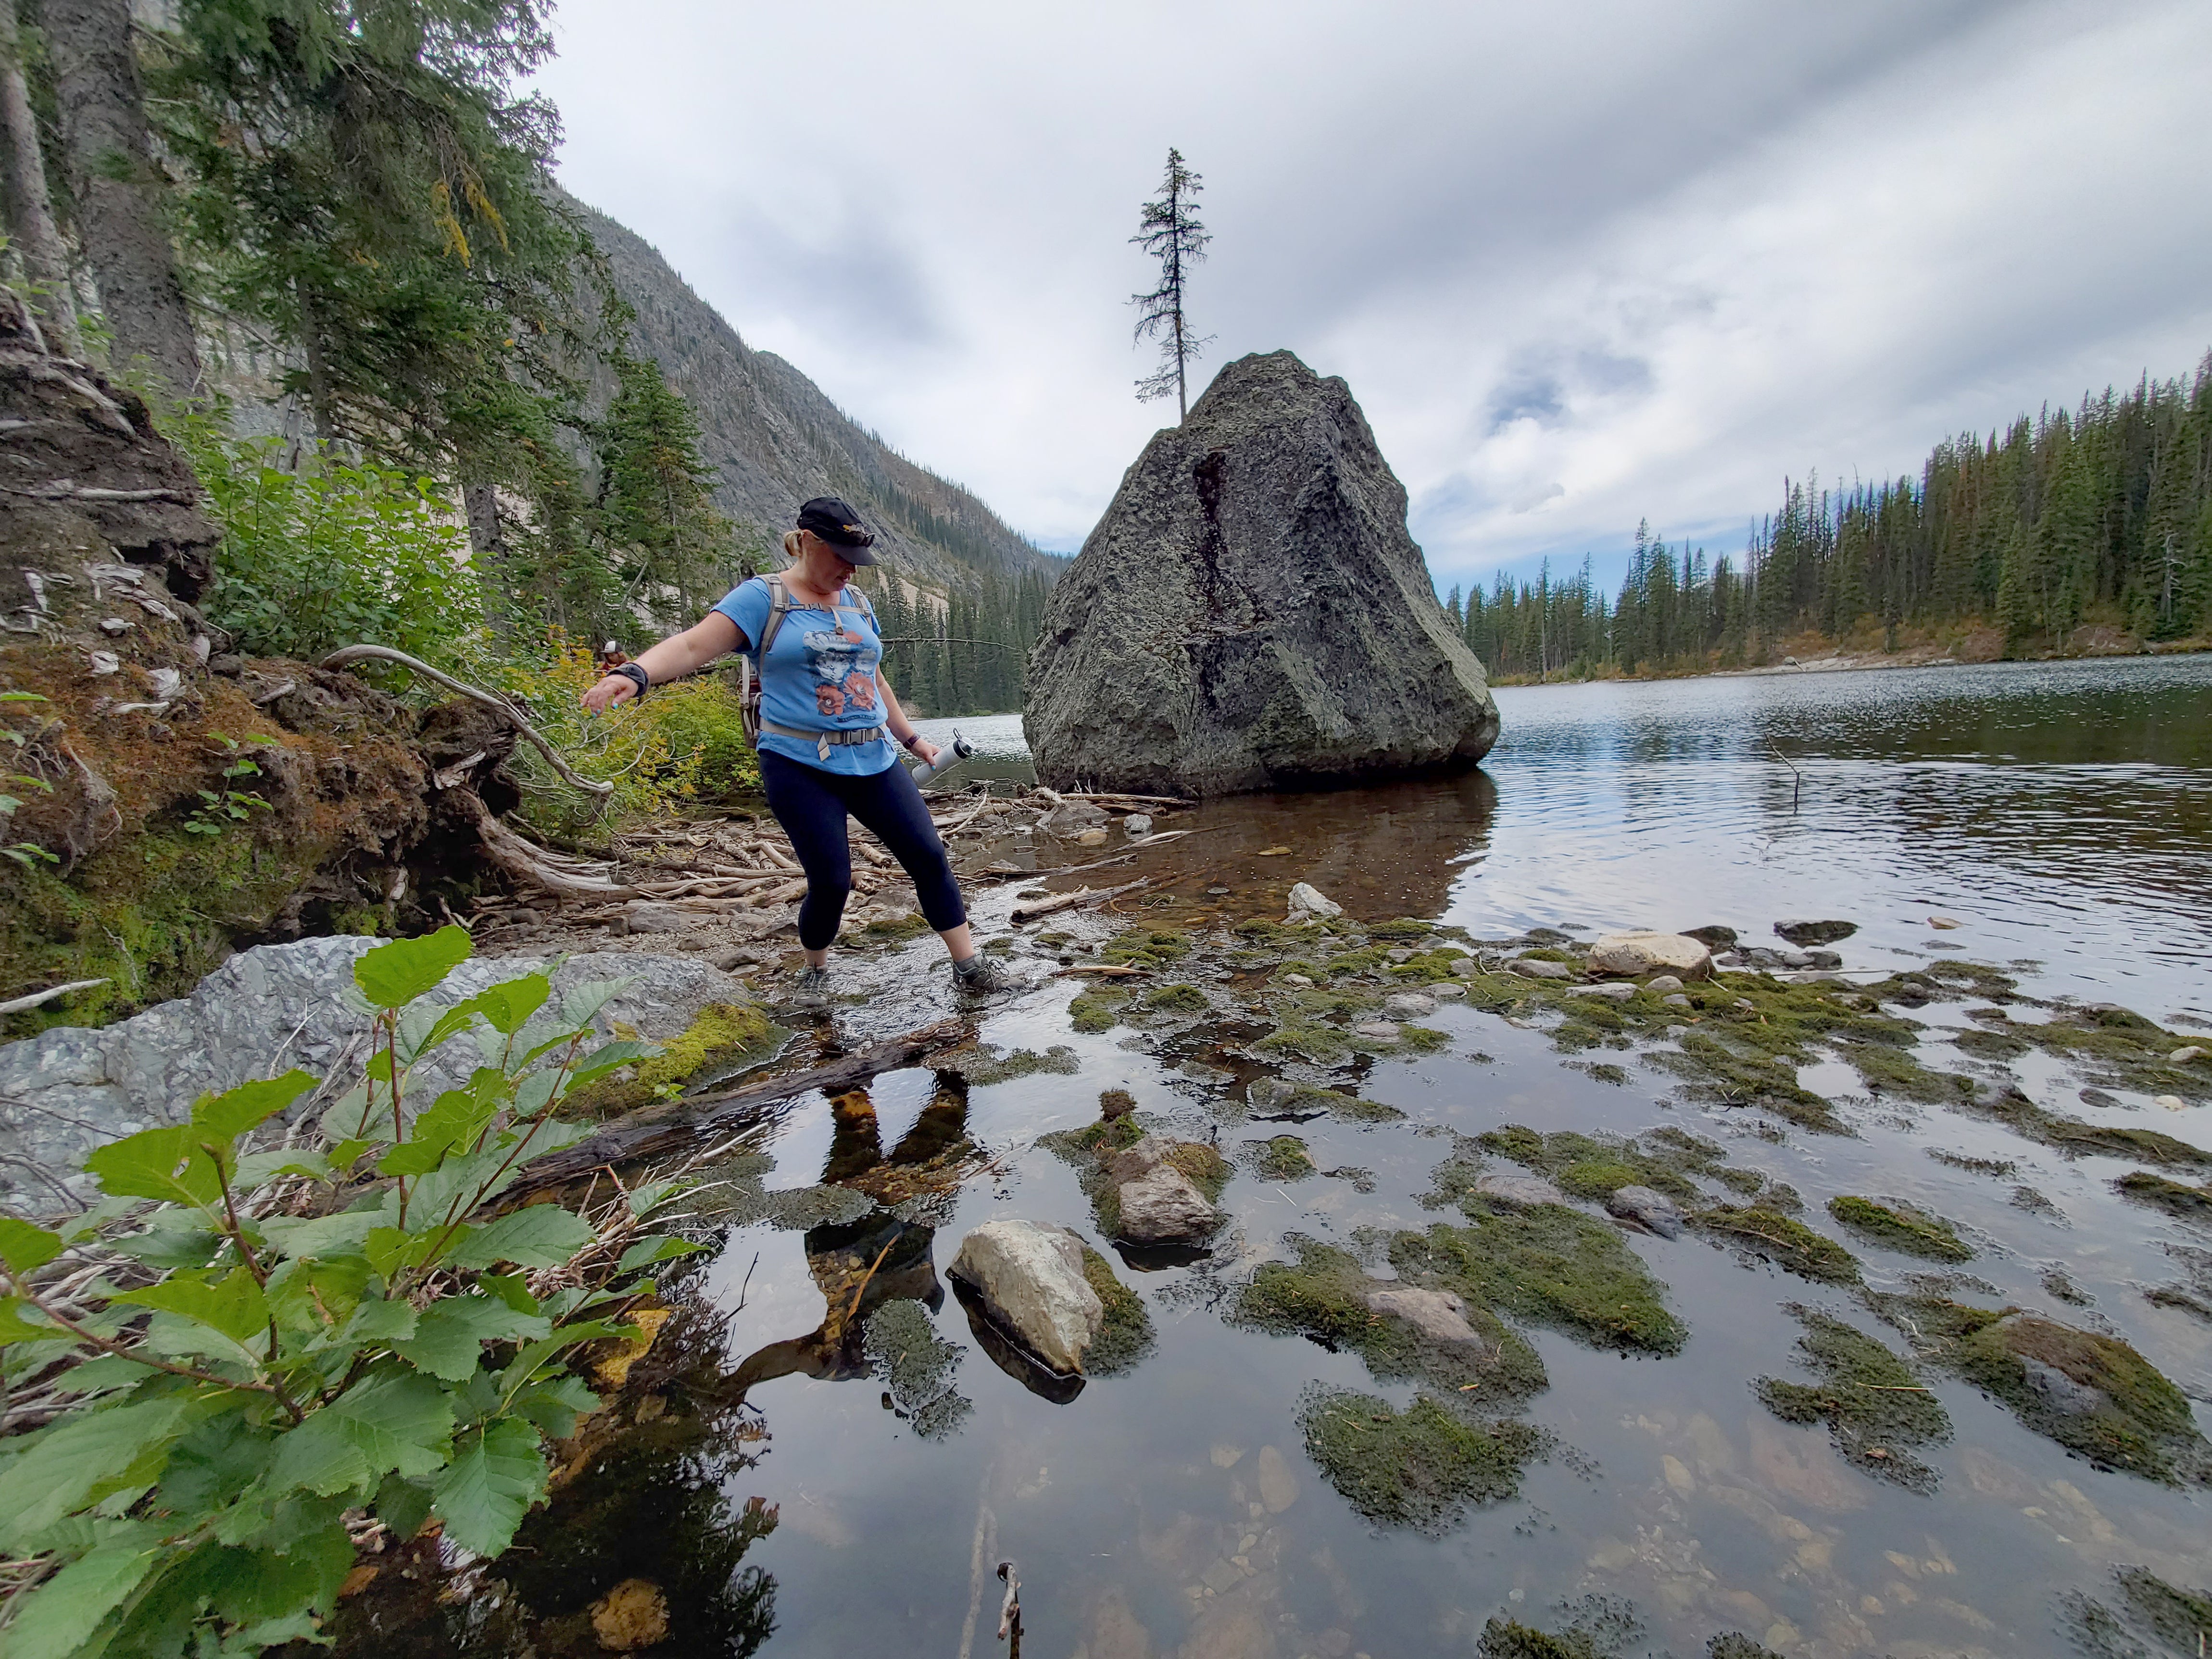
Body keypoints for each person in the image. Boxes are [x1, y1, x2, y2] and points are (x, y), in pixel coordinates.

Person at [580, 495, 1006, 995]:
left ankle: (969, 967)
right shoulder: (762, 597)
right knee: (831, 880)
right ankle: (817, 970)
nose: (851, 570)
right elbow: (695, 645)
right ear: (808, 541)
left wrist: (911, 740)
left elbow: (875, 679)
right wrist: (637, 672)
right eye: (841, 558)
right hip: (798, 763)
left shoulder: (858, 604)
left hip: (872, 756)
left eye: (858, 561)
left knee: (928, 855)